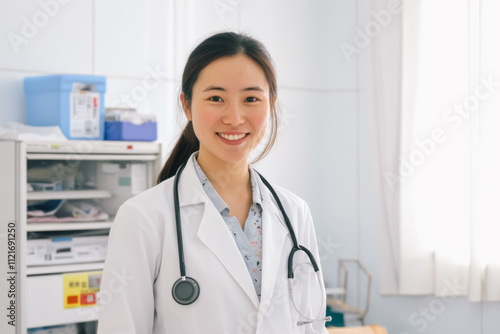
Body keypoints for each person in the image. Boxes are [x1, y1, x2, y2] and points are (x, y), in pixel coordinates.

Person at [97, 31, 329, 333]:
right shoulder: (144, 218)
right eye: (216, 98)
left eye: (251, 99)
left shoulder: (294, 212)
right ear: (187, 105)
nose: (234, 118)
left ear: (271, 104)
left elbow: (311, 327)